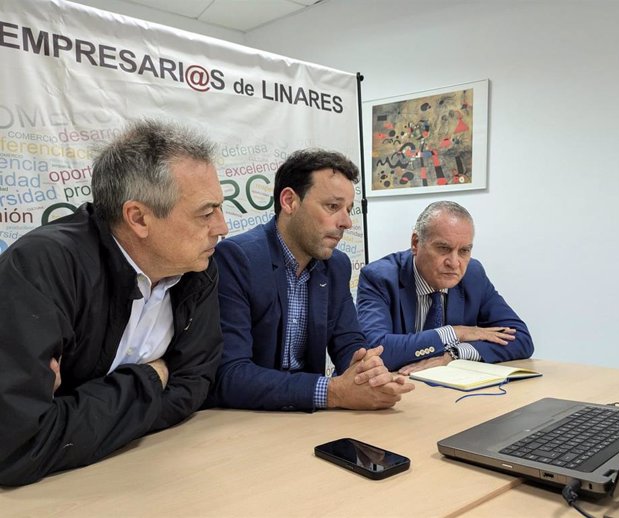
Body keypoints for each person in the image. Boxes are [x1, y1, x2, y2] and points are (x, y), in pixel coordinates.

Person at [0, 120, 228, 486]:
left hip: (147, 474)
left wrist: (80, 411)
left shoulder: (198, 268)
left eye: (220, 207)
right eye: (206, 212)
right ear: (138, 218)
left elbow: (195, 384)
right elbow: (17, 445)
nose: (222, 226)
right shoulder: (44, 266)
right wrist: (154, 376)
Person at [206, 149, 414, 411]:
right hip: (245, 417)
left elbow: (349, 341)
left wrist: (368, 371)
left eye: (348, 209)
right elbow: (231, 374)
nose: (347, 222)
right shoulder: (238, 259)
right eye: (333, 207)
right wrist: (334, 392)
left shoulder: (336, 265)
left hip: (307, 417)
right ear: (290, 201)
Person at [357, 201, 534, 374]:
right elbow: (374, 350)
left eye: (464, 251)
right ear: (416, 243)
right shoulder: (379, 277)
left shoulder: (473, 275)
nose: (454, 263)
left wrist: (455, 354)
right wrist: (456, 333)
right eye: (443, 248)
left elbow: (520, 339)